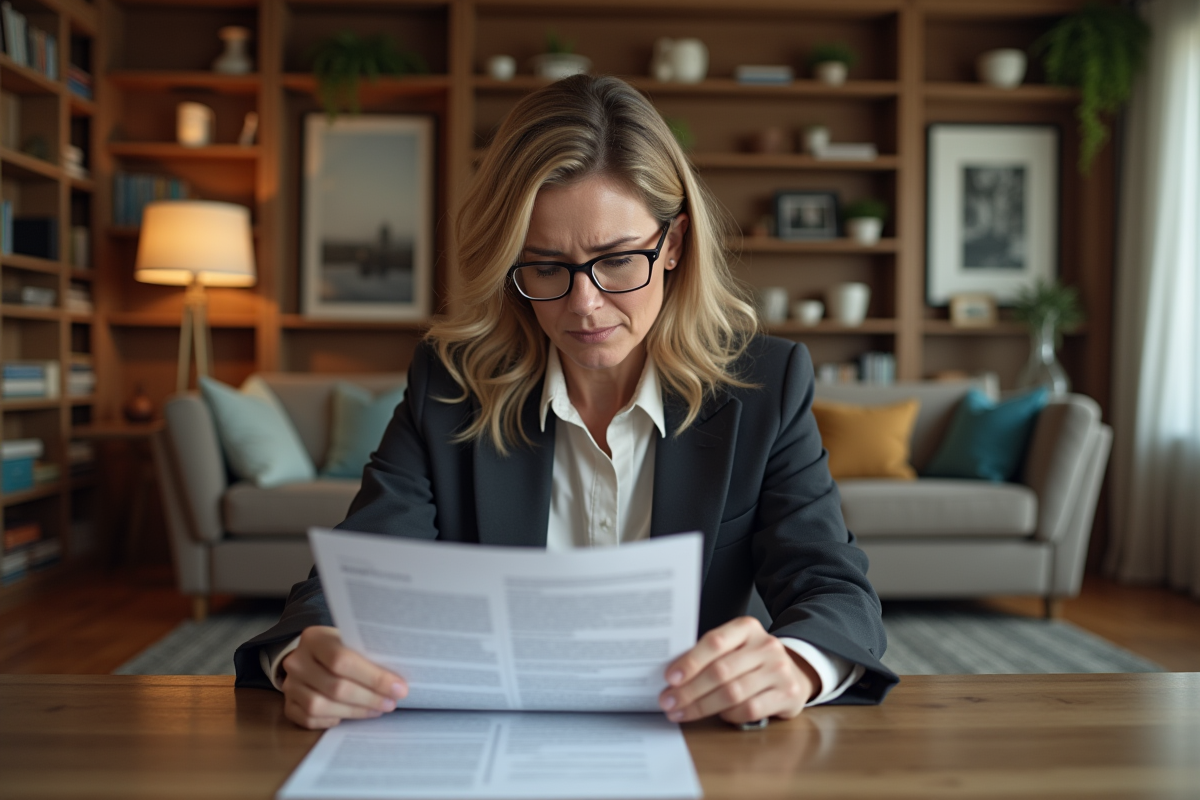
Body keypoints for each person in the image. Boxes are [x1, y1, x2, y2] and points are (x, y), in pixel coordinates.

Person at [234, 75, 899, 729]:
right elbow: (351, 581)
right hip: (486, 746)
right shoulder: (450, 385)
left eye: (615, 261)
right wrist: (305, 655)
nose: (583, 306)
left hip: (692, 746)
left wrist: (797, 664)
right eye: (545, 267)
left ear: (672, 244)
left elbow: (834, 592)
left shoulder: (766, 385)